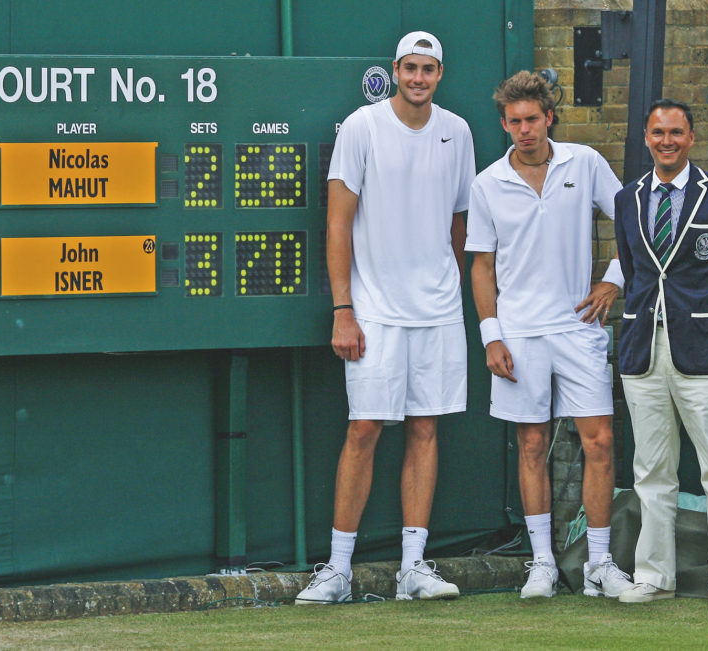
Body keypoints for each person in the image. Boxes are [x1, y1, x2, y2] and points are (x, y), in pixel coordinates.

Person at [295, 31, 475, 604]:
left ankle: (412, 569)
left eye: (429, 69)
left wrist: (447, 286)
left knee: (425, 428)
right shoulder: (362, 127)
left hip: (439, 310)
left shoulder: (458, 131)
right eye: (410, 68)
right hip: (373, 312)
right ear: (395, 70)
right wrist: (343, 309)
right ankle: (339, 570)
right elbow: (338, 224)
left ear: (439, 75)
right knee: (364, 429)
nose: (419, 78)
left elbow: (459, 222)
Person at [465, 70, 634, 599]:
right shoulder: (488, 183)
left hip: (578, 327)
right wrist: (492, 335)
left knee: (600, 442)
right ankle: (541, 563)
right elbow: (481, 266)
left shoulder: (583, 163)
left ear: (548, 118)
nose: (524, 130)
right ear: (504, 124)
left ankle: (599, 565)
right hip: (517, 333)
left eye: (532, 120)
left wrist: (611, 282)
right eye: (514, 122)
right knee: (531, 443)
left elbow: (634, 222)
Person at [614, 99, 708, 605]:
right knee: (651, 469)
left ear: (691, 137)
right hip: (643, 349)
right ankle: (654, 576)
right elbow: (635, 273)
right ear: (646, 137)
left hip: (707, 348)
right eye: (657, 132)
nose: (666, 141)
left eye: (676, 132)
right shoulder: (627, 197)